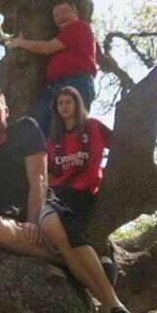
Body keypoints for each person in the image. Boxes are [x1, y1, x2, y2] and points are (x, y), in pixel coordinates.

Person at [0, 87, 149, 313]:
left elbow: (39, 180)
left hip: (40, 205)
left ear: (6, 111)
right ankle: (80, 266)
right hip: (6, 220)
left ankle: (118, 311)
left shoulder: (25, 129)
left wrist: (33, 221)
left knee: (54, 225)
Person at [9, 0, 97, 136]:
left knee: (72, 130)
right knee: (39, 130)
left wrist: (21, 42)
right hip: (55, 87)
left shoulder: (79, 27)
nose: (60, 17)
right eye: (56, 16)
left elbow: (47, 48)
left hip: (76, 82)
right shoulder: (62, 37)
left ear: (76, 13)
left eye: (65, 12)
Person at [47, 86, 112, 221]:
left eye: (68, 102)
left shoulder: (93, 126)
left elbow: (119, 146)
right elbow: (50, 173)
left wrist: (107, 172)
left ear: (77, 103)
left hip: (84, 188)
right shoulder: (54, 138)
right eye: (60, 103)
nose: (64, 106)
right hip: (58, 190)